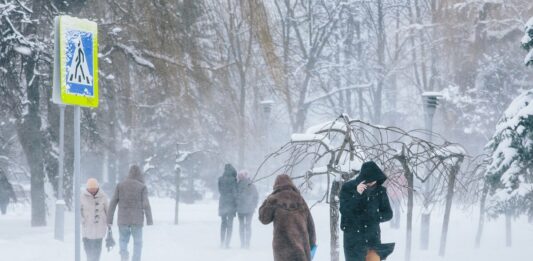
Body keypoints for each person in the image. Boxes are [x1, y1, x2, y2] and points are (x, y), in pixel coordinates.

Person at [340, 161, 395, 261]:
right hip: (353, 240)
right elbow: (345, 211)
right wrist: (357, 194)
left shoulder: (380, 191)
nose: (371, 184)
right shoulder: (348, 188)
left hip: (372, 239)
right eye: (368, 182)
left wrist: (374, 216)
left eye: (374, 182)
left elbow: (388, 214)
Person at [259, 174, 316, 261]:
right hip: (301, 247)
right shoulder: (300, 199)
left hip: (282, 249)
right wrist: (312, 244)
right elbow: (310, 225)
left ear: (276, 185)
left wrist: (268, 200)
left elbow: (264, 219)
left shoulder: (273, 200)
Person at [107, 165, 153, 261]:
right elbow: (146, 204)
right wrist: (149, 220)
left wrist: (109, 219)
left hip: (123, 220)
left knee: (123, 240)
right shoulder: (142, 187)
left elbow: (113, 202)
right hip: (137, 221)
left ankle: (124, 256)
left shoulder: (120, 185)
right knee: (138, 243)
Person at [81, 178, 109, 261]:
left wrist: (108, 222)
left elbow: (108, 210)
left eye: (94, 189)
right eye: (91, 189)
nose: (92, 191)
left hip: (99, 228)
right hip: (87, 228)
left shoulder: (103, 196)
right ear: (87, 189)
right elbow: (78, 211)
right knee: (88, 250)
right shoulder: (82, 196)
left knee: (97, 250)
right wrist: (82, 220)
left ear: (97, 188)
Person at [236, 170, 259, 249]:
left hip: (240, 209)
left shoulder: (238, 185)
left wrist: (236, 204)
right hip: (250, 209)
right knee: (248, 226)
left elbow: (235, 196)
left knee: (241, 226)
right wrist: (254, 205)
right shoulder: (251, 185)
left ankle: (242, 243)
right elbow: (256, 196)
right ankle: (247, 243)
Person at [218, 164, 238, 248]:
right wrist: (235, 200)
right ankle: (227, 243)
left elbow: (219, 190)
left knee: (223, 223)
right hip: (231, 203)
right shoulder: (233, 180)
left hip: (222, 202)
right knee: (230, 224)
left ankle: (222, 242)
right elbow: (234, 192)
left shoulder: (220, 179)